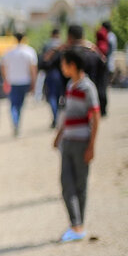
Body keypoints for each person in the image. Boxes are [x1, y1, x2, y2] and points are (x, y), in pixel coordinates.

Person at [53, 48, 100, 242]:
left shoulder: (87, 88)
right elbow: (66, 116)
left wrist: (91, 146)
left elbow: (95, 117)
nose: (62, 67)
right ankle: (76, 224)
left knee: (80, 184)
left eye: (64, 64)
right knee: (67, 183)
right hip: (68, 142)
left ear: (72, 65)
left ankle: (77, 226)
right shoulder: (71, 86)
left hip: (81, 142)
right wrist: (59, 135)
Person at [1, 33, 38, 136]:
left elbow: (3, 67)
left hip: (12, 81)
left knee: (13, 104)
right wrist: (34, 83)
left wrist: (5, 79)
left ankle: (15, 122)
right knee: (20, 105)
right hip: (24, 82)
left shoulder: (9, 52)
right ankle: (17, 122)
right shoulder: (30, 51)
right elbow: (33, 70)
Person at [40, 28, 65, 128]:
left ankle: (55, 118)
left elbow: (42, 60)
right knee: (59, 97)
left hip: (50, 74)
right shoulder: (62, 45)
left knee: (51, 97)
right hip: (61, 74)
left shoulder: (47, 45)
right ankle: (58, 117)